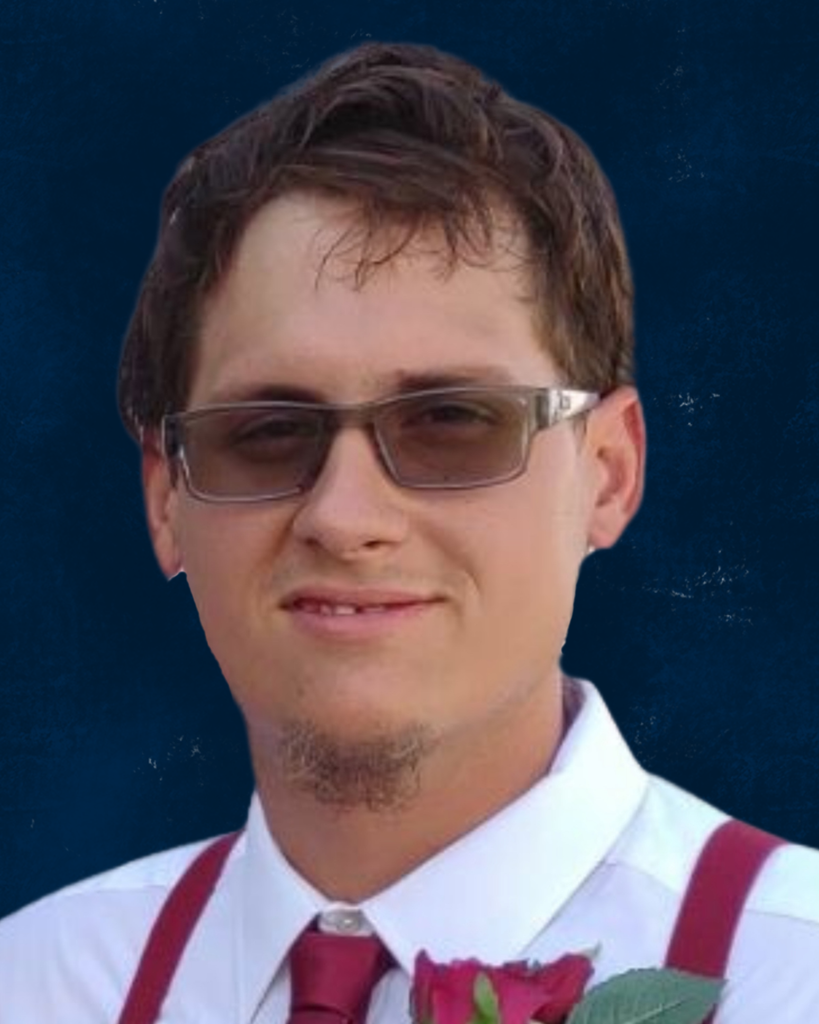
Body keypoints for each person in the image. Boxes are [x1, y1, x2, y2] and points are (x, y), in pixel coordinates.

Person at [1, 41, 817, 1023]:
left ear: (608, 471)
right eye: (266, 433)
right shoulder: (34, 985)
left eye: (451, 420)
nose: (344, 518)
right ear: (165, 499)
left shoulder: (793, 976)